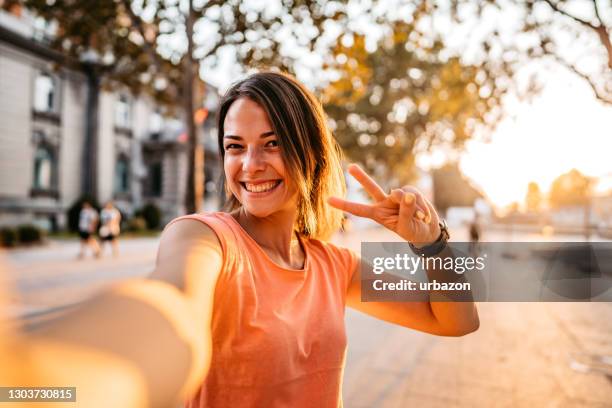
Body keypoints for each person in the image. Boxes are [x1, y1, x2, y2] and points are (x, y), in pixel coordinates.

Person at [151, 71, 479, 408]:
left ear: (312, 153)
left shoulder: (335, 266)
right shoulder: (204, 238)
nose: (251, 165)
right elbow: (166, 308)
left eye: (272, 143)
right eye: (235, 147)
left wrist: (432, 244)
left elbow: (456, 321)